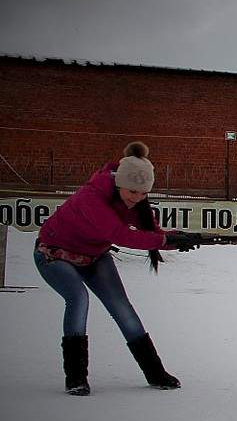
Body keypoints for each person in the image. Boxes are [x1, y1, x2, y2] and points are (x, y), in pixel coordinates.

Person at [34, 141, 201, 395]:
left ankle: (155, 373)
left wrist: (178, 239)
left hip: (94, 257)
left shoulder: (135, 202)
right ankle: (76, 377)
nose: (136, 198)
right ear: (119, 183)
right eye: (132, 191)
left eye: (143, 193)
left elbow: (152, 234)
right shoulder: (92, 196)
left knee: (122, 307)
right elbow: (119, 234)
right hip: (54, 254)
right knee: (78, 298)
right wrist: (164, 240)